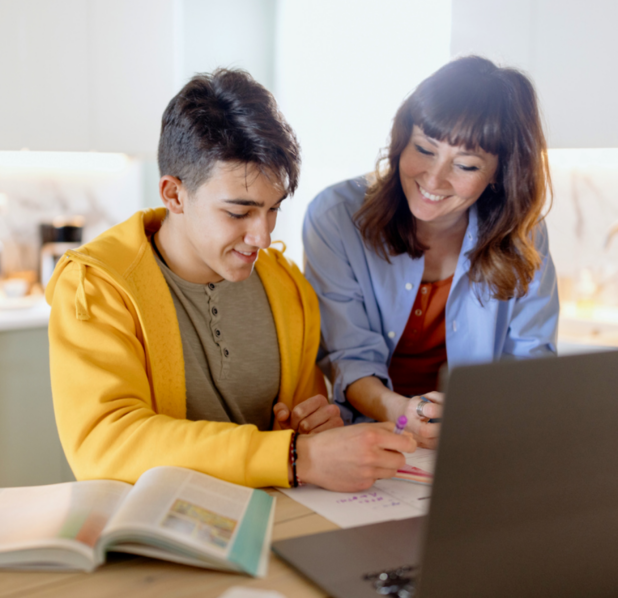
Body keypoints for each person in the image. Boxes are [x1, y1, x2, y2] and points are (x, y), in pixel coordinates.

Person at [46, 69, 414, 493]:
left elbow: (300, 431)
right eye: (238, 213)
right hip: (151, 541)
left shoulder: (287, 288)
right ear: (173, 194)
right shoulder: (97, 286)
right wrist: (294, 457)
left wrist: (310, 430)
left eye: (273, 209)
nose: (263, 236)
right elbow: (106, 442)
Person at [302, 56, 559, 448]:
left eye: (467, 166)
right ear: (402, 137)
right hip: (370, 437)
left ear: (499, 174)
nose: (434, 179)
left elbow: (530, 365)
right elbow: (347, 357)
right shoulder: (336, 218)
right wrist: (403, 414)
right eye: (423, 148)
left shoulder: (523, 235)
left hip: (480, 442)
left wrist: (474, 417)